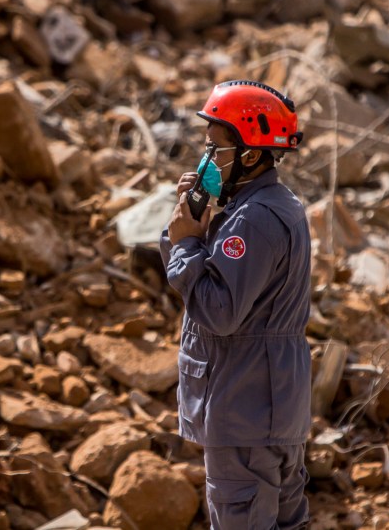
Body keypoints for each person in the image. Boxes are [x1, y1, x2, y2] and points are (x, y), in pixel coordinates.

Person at [159, 80, 312, 530]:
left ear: (249, 154)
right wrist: (190, 228)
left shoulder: (253, 219)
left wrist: (185, 246)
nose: (206, 158)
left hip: (244, 416)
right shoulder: (270, 206)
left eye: (214, 146)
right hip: (270, 413)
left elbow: (220, 313)